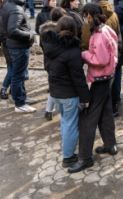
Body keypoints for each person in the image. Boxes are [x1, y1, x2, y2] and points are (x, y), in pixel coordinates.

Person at [70, 5, 119, 174]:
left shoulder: (99, 34)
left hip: (101, 78)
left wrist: (82, 55)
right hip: (107, 76)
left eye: (85, 16)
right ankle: (110, 144)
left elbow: (100, 59)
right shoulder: (105, 28)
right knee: (106, 112)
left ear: (89, 15)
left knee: (88, 118)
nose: (84, 19)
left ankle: (85, 158)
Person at [40, 16, 90, 170]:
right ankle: (68, 157)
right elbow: (78, 77)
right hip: (69, 94)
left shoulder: (49, 45)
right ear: (74, 30)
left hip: (55, 92)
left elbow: (47, 68)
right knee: (70, 124)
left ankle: (67, 150)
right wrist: (86, 97)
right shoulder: (72, 50)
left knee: (64, 121)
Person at [2, 0, 36, 113]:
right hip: (19, 46)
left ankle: (22, 97)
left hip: (15, 45)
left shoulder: (8, 5)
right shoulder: (16, 9)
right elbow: (12, 30)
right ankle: (20, 104)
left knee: (19, 74)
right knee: (18, 75)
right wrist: (27, 35)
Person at [89, 0, 122, 116]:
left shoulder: (95, 14)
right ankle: (116, 98)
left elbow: (89, 37)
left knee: (105, 82)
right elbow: (117, 32)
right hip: (115, 51)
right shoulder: (113, 12)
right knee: (116, 75)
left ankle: (108, 106)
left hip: (102, 55)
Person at [0, 0, 13, 100]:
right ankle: (4, 88)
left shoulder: (8, 12)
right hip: (8, 44)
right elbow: (0, 30)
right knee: (12, 68)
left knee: (12, 68)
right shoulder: (3, 13)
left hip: (10, 44)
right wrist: (2, 41)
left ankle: (13, 87)